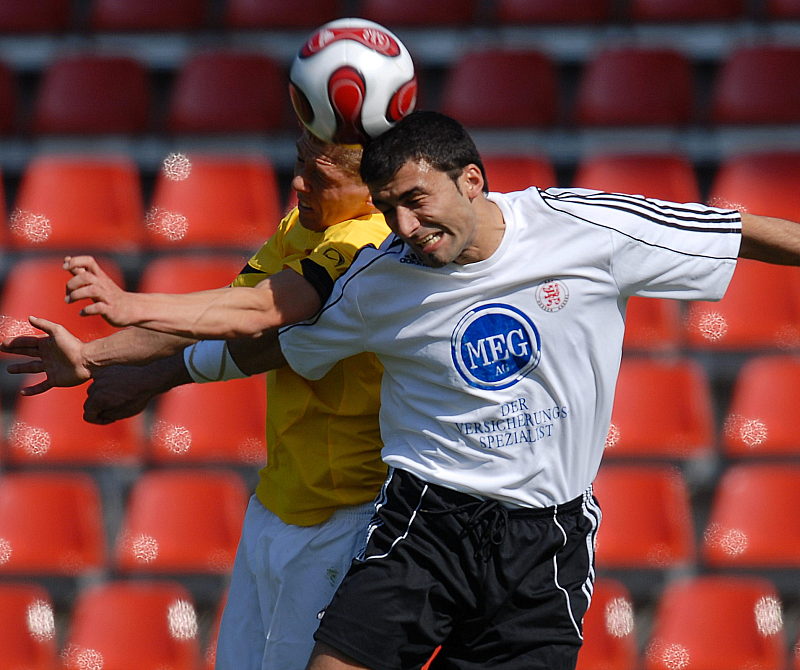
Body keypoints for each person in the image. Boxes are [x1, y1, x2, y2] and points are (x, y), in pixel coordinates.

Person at [14, 110, 800, 669]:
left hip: (545, 543)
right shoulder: (380, 280)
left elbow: (735, 230)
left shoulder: (579, 227)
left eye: (417, 202)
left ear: (472, 181)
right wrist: (120, 360)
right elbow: (259, 334)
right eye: (389, 208)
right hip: (427, 521)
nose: (406, 225)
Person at [3, 129, 391, 670]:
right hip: (278, 503)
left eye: (320, 176)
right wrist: (95, 357)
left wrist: (128, 306)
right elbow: (220, 318)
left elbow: (259, 315)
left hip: (344, 514)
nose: (299, 182)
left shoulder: (368, 245)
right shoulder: (301, 228)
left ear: (372, 189)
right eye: (298, 162)